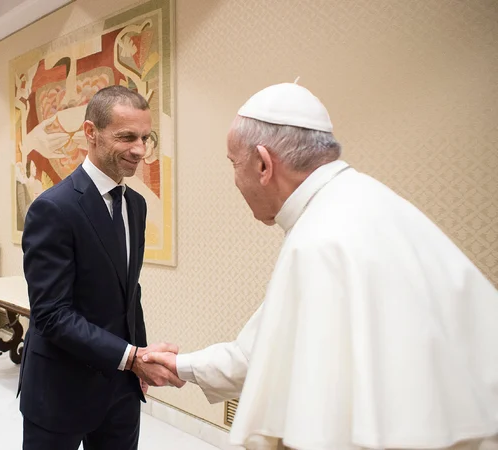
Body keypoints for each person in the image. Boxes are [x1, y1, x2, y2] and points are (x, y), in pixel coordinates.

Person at [144, 82, 498, 449]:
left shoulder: (320, 241)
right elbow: (260, 348)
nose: (235, 179)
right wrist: (179, 365)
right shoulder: (369, 201)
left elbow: (319, 421)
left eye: (234, 164)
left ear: (264, 164)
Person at [19, 85, 185, 450]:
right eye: (127, 137)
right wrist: (133, 357)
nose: (139, 150)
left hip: (121, 388)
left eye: (145, 137)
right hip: (59, 389)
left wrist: (137, 360)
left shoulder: (137, 206)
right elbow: (52, 315)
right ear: (90, 133)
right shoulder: (54, 208)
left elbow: (130, 293)